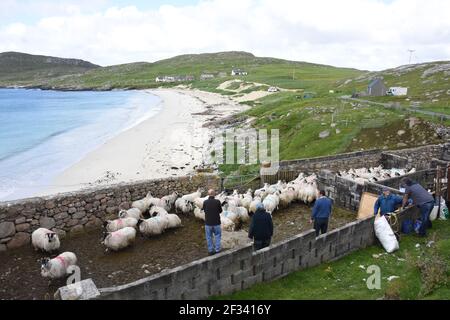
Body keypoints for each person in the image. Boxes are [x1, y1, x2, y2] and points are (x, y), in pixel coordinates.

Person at [203, 189, 222, 255]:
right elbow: (220, 211)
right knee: (217, 236)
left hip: (208, 223)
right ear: (214, 194)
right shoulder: (218, 201)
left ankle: (210, 250)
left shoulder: (205, 202)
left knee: (209, 237)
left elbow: (205, 210)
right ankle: (217, 249)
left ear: (208, 194)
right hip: (216, 223)